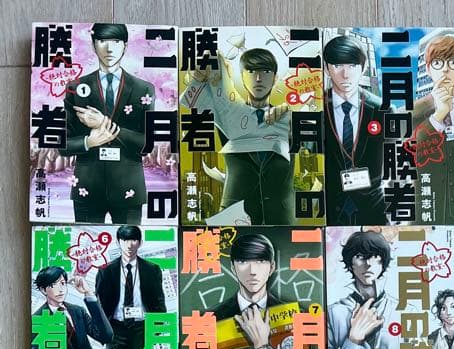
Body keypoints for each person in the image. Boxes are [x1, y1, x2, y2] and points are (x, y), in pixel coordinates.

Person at [180, 46, 295, 225]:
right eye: (251, 72)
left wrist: (293, 121)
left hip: (281, 218)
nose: (258, 78)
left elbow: (315, 143)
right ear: (242, 76)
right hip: (234, 216)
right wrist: (200, 75)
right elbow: (192, 98)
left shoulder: (288, 118)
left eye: (265, 72)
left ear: (275, 78)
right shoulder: (228, 112)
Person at [64, 23, 155, 223]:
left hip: (128, 188)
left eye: (116, 41)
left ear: (125, 45)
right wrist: (88, 142)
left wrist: (103, 123)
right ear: (93, 45)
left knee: (131, 242)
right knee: (85, 241)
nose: (109, 48)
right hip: (88, 186)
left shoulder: (143, 89)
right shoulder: (76, 87)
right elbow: (62, 144)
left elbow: (147, 144)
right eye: (103, 41)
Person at [323, 35, 385, 224]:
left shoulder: (382, 109)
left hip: (372, 209)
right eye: (337, 66)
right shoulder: (314, 108)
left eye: (352, 66)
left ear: (363, 68)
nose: (345, 74)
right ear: (326, 68)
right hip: (328, 209)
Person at [213, 233, 298, 349]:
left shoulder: (297, 317)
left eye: (260, 261)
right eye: (243, 262)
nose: (252, 271)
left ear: (272, 267)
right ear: (233, 268)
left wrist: (262, 346)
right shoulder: (212, 320)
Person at [411, 33, 454, 223]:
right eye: (437, 63)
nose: (445, 69)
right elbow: (405, 156)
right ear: (428, 69)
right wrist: (437, 117)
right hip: (424, 214)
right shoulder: (411, 112)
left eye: (453, 62)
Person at [95, 225, 166, 349]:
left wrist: (155, 330)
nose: (129, 245)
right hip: (116, 329)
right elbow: (100, 304)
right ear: (118, 242)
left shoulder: (152, 269)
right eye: (125, 240)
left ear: (140, 242)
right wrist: (104, 330)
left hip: (142, 329)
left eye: (133, 240)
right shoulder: (106, 271)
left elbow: (159, 301)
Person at [327, 229, 398, 349]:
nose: (369, 264)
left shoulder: (403, 311)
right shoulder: (333, 313)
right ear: (350, 263)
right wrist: (353, 340)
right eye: (360, 256)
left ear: (383, 262)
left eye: (375, 256)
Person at [32, 267, 124, 349]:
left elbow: (106, 336)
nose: (60, 289)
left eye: (62, 283)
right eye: (53, 285)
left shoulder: (77, 311)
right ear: (43, 290)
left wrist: (88, 293)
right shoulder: (39, 319)